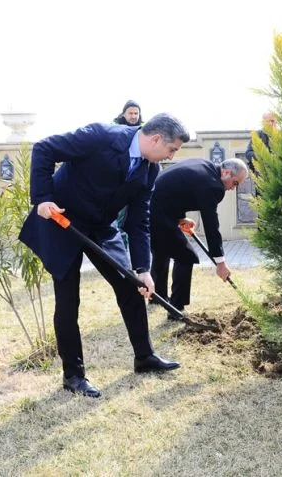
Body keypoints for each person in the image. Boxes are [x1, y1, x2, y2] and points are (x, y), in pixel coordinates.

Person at [18, 113, 190, 398]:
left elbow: (139, 221)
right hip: (62, 221)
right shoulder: (102, 136)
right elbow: (44, 149)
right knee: (68, 299)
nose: (170, 156)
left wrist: (143, 268)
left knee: (131, 286)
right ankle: (73, 376)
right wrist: (42, 198)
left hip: (101, 227)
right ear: (157, 139)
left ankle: (144, 357)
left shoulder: (149, 171)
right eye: (171, 150)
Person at [149, 158, 248, 318]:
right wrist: (220, 263)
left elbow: (176, 192)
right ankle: (176, 309)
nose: (233, 188)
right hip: (156, 212)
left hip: (150, 207)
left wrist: (180, 219)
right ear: (227, 172)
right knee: (186, 256)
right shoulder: (214, 186)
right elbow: (211, 226)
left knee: (163, 250)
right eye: (235, 183)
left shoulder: (205, 166)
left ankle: (157, 297)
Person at [113, 99, 144, 248]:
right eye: (130, 113)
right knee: (117, 221)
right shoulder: (115, 130)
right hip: (118, 182)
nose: (133, 116)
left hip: (137, 182)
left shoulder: (144, 132)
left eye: (136, 113)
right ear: (123, 114)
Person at [244, 111, 277, 190]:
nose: (270, 123)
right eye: (267, 121)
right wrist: (262, 155)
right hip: (262, 178)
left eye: (272, 121)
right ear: (263, 122)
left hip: (279, 176)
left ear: (276, 122)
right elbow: (248, 153)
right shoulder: (258, 135)